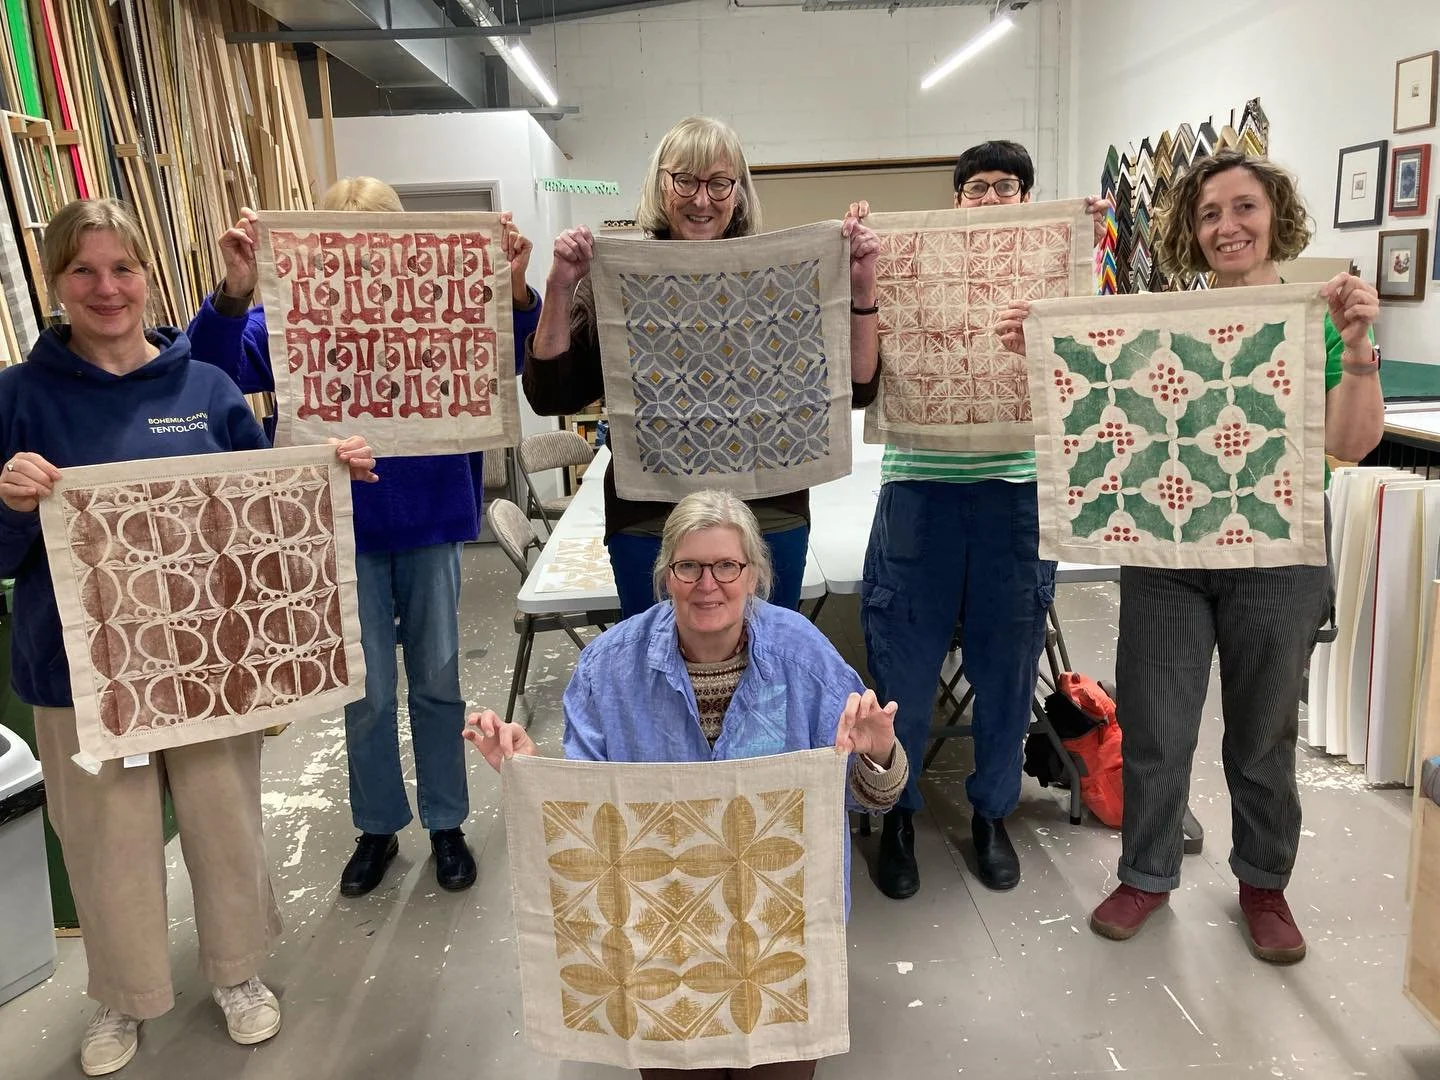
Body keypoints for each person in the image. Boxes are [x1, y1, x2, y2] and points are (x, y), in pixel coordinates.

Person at [0, 198, 377, 1075]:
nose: (106, 288)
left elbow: (262, 513)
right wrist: (8, 501)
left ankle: (237, 972)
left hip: (206, 661)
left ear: (147, 277)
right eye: (84, 270)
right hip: (79, 671)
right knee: (107, 843)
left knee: (223, 824)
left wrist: (324, 474)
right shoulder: (17, 397)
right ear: (56, 282)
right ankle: (122, 994)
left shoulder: (203, 388)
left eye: (122, 268)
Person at [1003, 149, 1384, 962]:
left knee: (1262, 734)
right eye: (1210, 213)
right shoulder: (1165, 326)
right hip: (1168, 549)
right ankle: (1145, 873)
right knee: (1155, 724)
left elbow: (1351, 442)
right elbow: (1104, 406)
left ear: (1276, 215)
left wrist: (1357, 347)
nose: (1227, 226)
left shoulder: (1314, 318)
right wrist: (1040, 348)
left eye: (1244, 207)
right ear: (1191, 230)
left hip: (1277, 553)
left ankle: (1264, 884)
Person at [465, 490, 908, 1080]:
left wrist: (878, 754)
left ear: (754, 575)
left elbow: (870, 796)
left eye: (727, 566)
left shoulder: (803, 656)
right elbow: (587, 817)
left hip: (777, 930)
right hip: (657, 931)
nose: (708, 585)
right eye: (689, 567)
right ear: (665, 575)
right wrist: (529, 773)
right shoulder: (610, 667)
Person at [187, 178, 542, 898]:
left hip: (431, 518)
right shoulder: (294, 318)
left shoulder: (440, 304)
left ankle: (446, 822)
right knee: (367, 690)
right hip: (342, 525)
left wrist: (513, 289)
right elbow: (210, 371)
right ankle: (378, 824)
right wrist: (234, 291)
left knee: (438, 681)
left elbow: (508, 358)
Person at [857, 140, 1109, 898]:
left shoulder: (1058, 274)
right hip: (919, 494)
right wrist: (864, 261)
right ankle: (897, 812)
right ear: (957, 201)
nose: (992, 199)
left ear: (1029, 199)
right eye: (977, 188)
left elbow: (1097, 372)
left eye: (1007, 187)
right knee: (902, 671)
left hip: (1015, 497)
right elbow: (865, 368)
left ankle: (992, 814)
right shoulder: (913, 265)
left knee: (1007, 671)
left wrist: (1081, 253)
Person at [522, 115, 882, 620]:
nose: (701, 199)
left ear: (738, 192)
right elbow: (551, 395)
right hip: (650, 519)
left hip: (767, 514)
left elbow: (860, 388)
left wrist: (862, 286)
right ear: (660, 184)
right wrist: (560, 286)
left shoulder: (780, 277)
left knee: (764, 655)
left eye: (718, 183)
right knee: (658, 657)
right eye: (685, 180)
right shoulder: (621, 277)